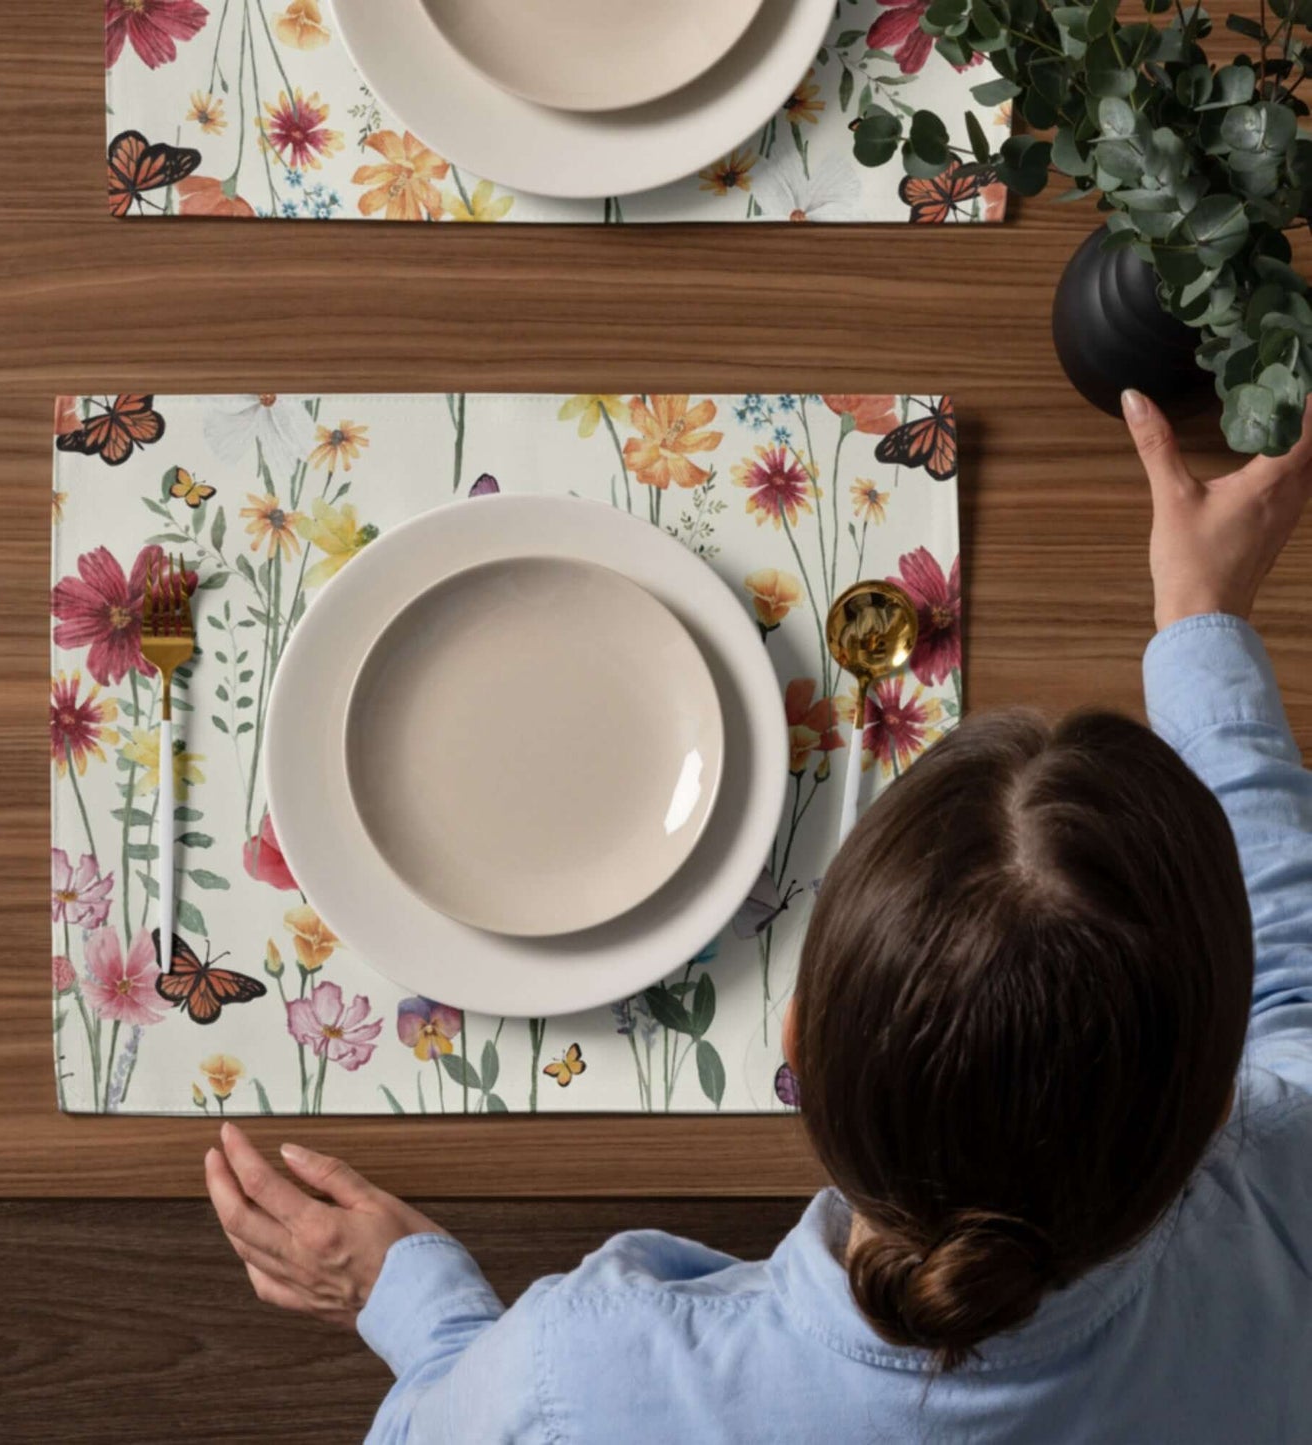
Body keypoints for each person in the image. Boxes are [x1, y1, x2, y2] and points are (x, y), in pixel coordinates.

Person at [205, 391, 1312, 1443]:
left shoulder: (579, 1381)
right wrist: (1199, 620)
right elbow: (1292, 984)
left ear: (795, 1046)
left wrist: (421, 1310)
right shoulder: (1283, 1190)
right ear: (1213, 1100)